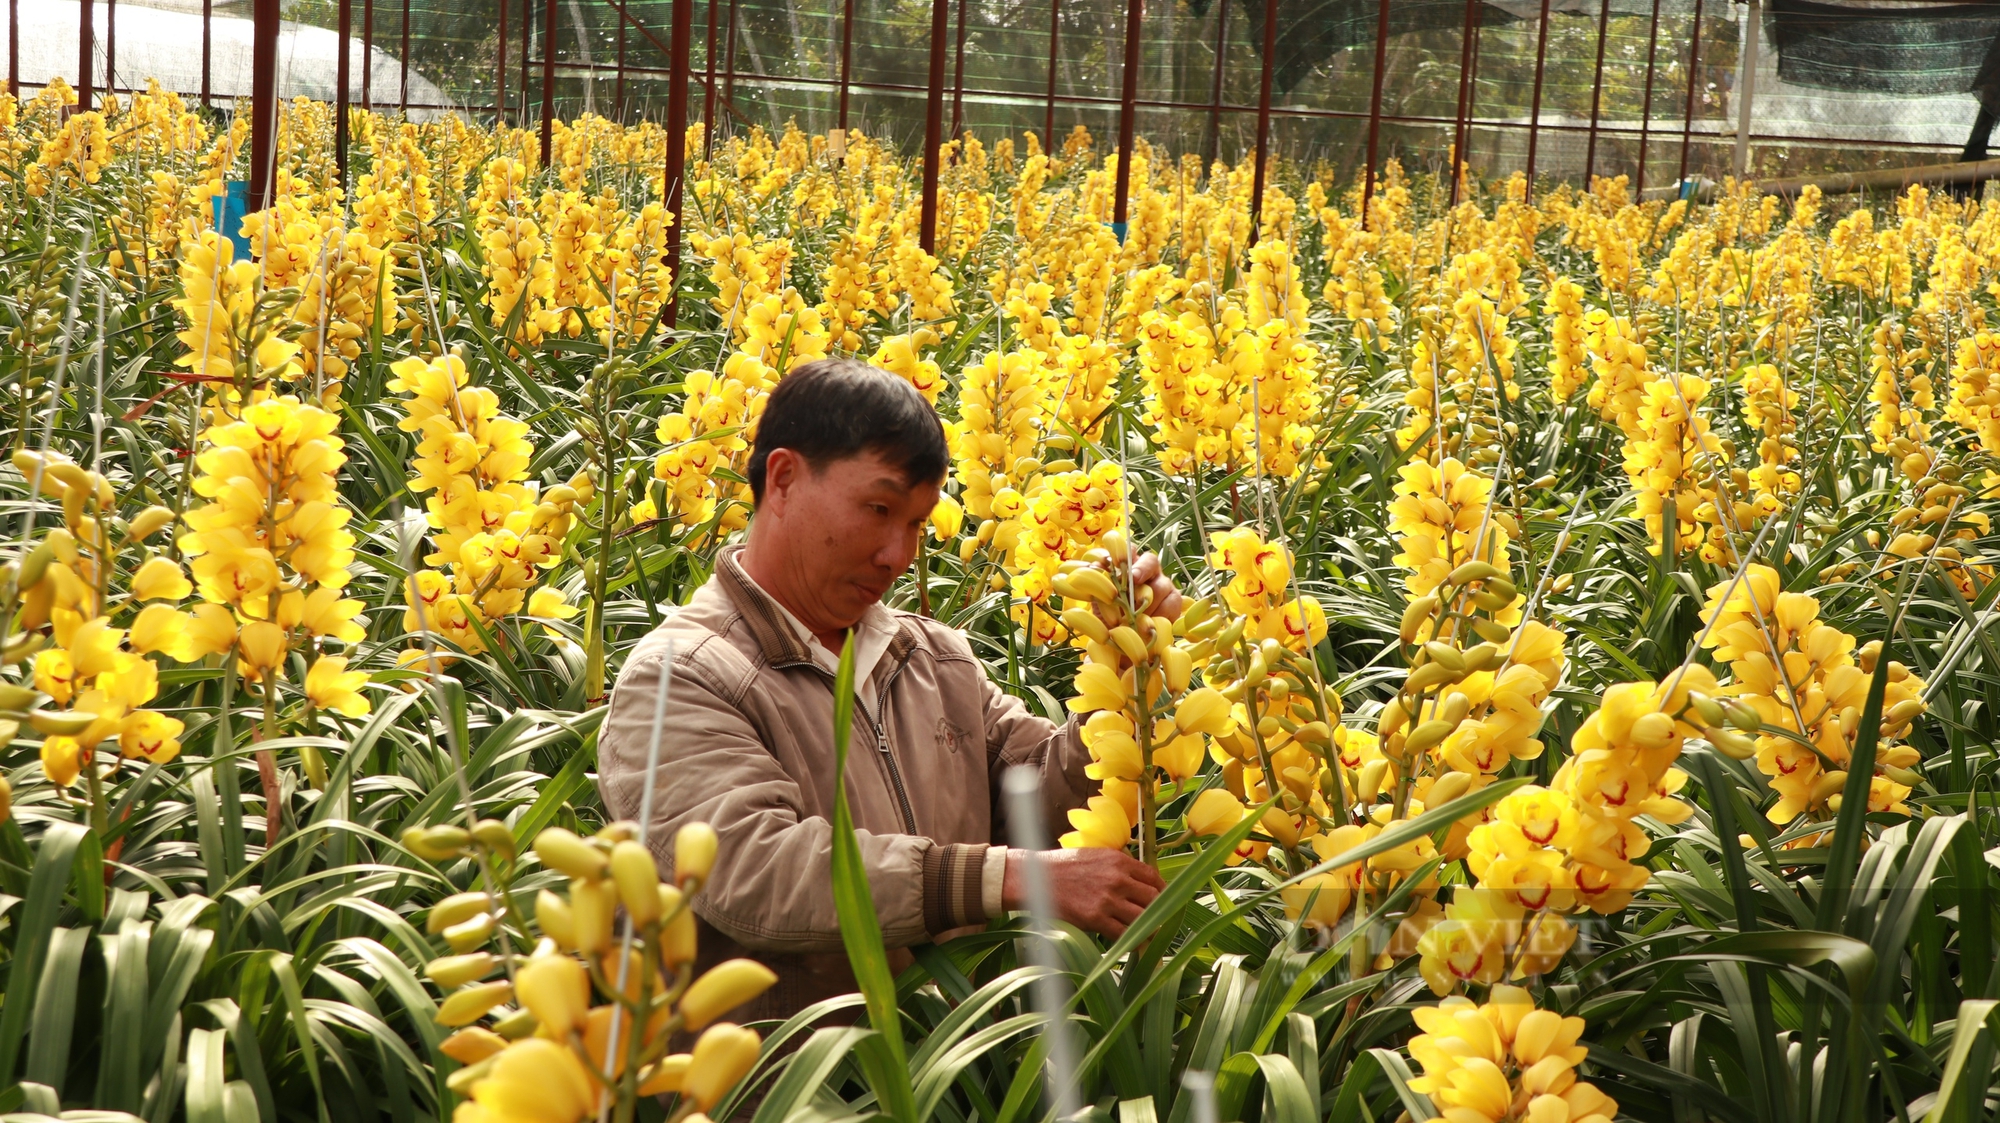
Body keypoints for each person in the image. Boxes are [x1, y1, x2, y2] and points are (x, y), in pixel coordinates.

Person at [598, 357, 1164, 1024]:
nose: (897, 554)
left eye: (918, 524)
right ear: (782, 479)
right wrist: (1011, 876)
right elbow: (757, 871)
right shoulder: (680, 677)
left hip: (951, 1074)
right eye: (878, 508)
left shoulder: (930, 654)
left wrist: (1128, 682)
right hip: (794, 1092)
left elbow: (1038, 797)